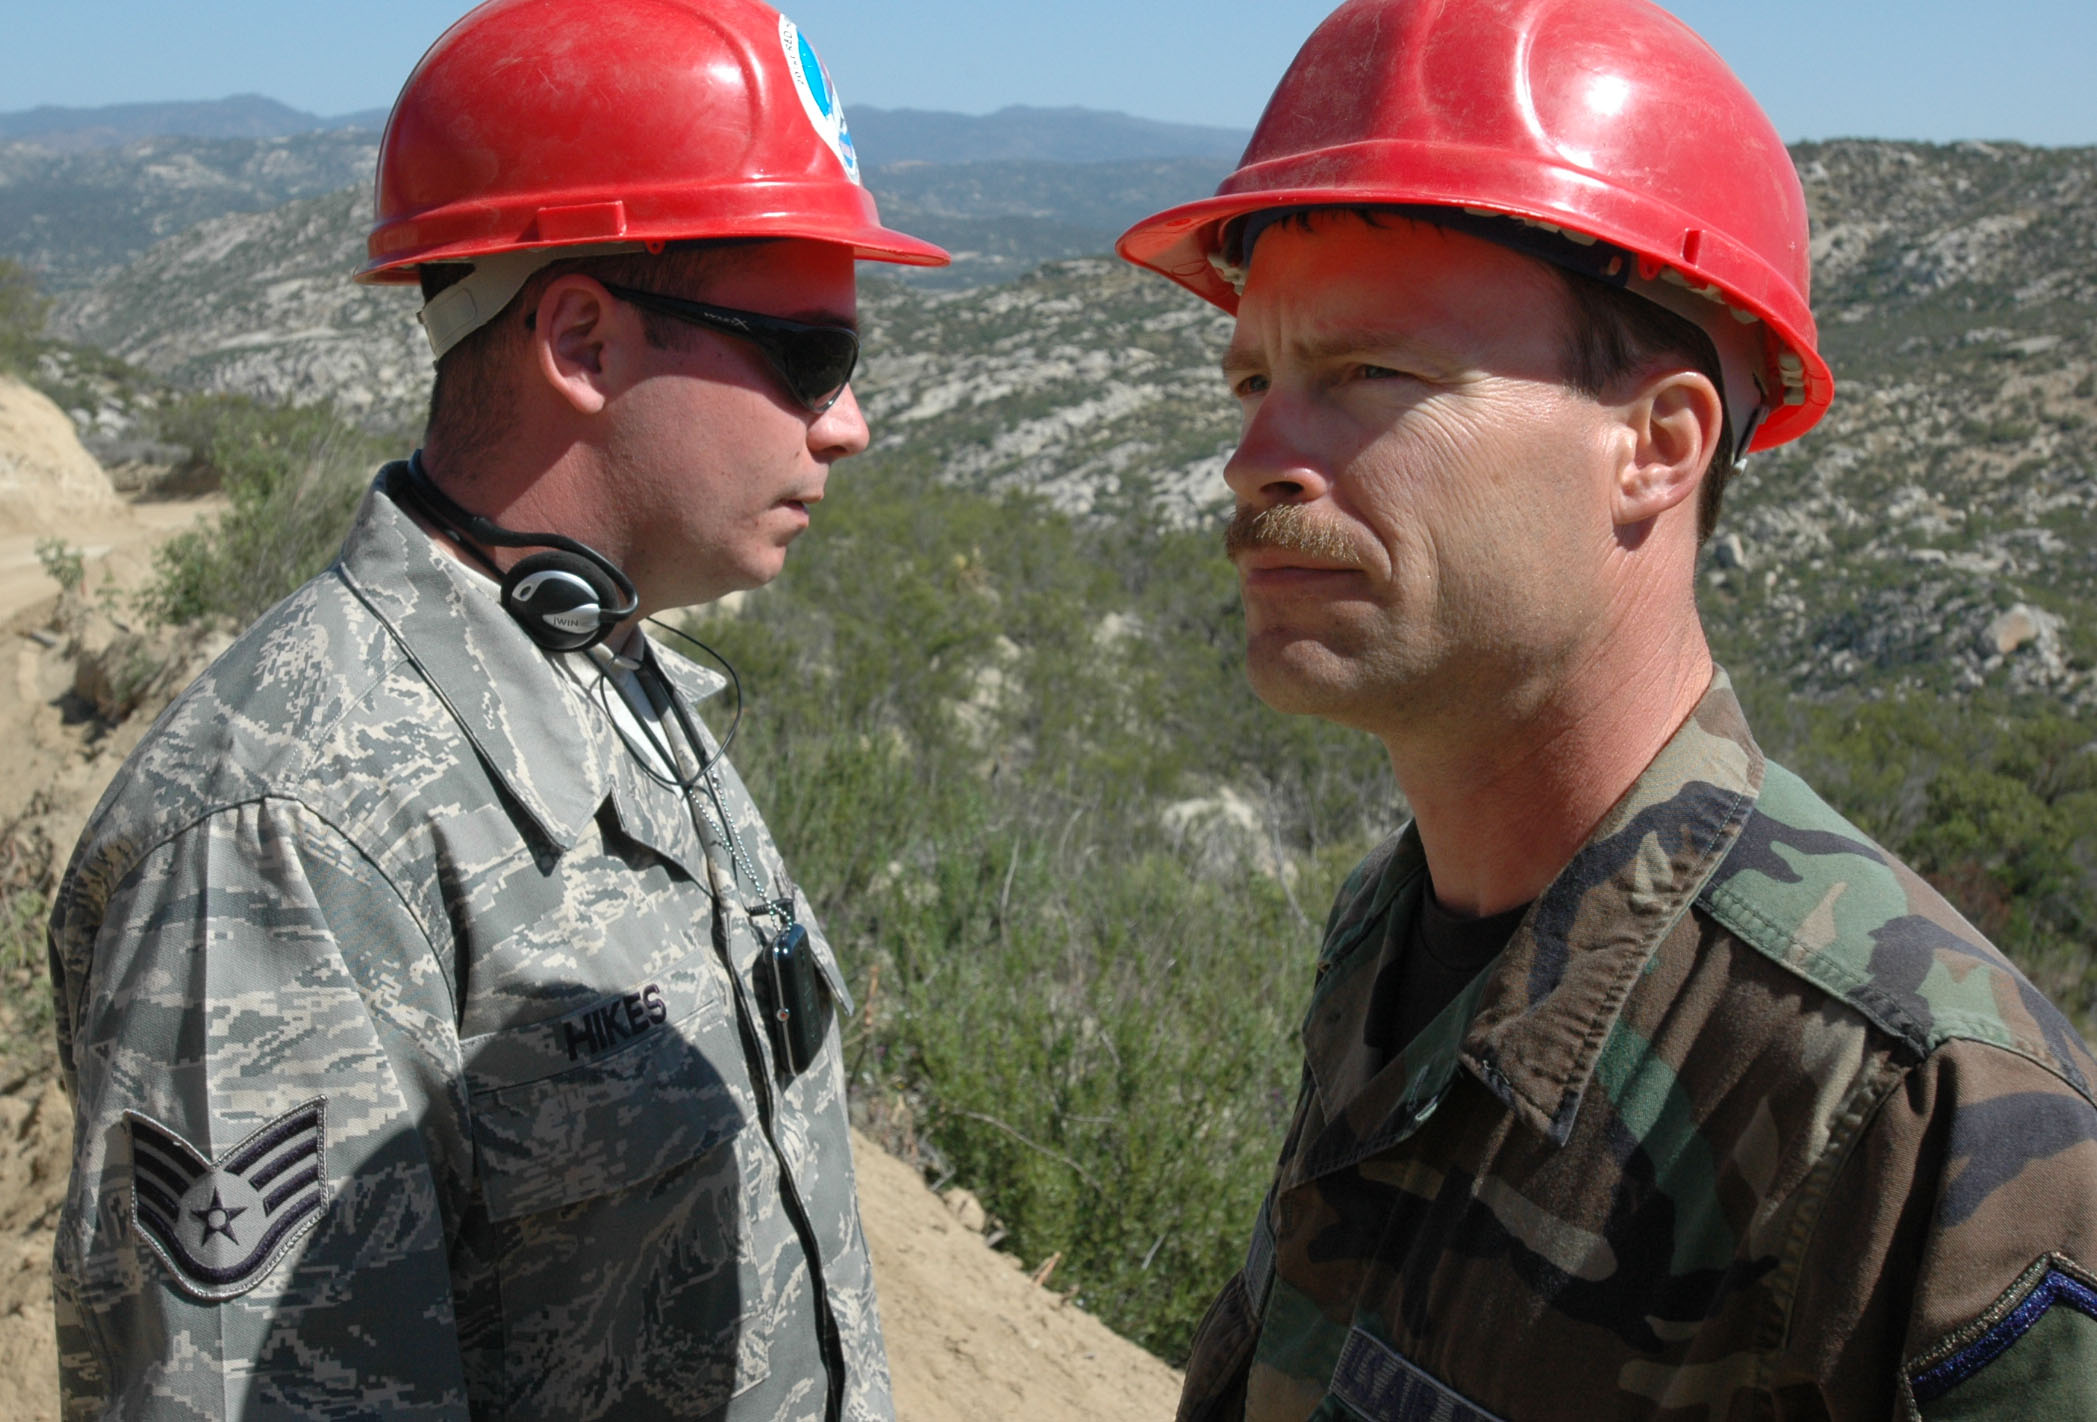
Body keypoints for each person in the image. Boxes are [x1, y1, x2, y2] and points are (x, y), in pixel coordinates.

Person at [1117, 0, 2097, 1417]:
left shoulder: (1906, 1111)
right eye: (1255, 379)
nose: (1254, 454)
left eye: (1368, 372)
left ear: (1656, 445)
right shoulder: (1392, 932)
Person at [47, 1, 946, 1417]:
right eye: (808, 360)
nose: (848, 422)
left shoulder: (606, 664)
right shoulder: (286, 837)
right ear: (581, 340)